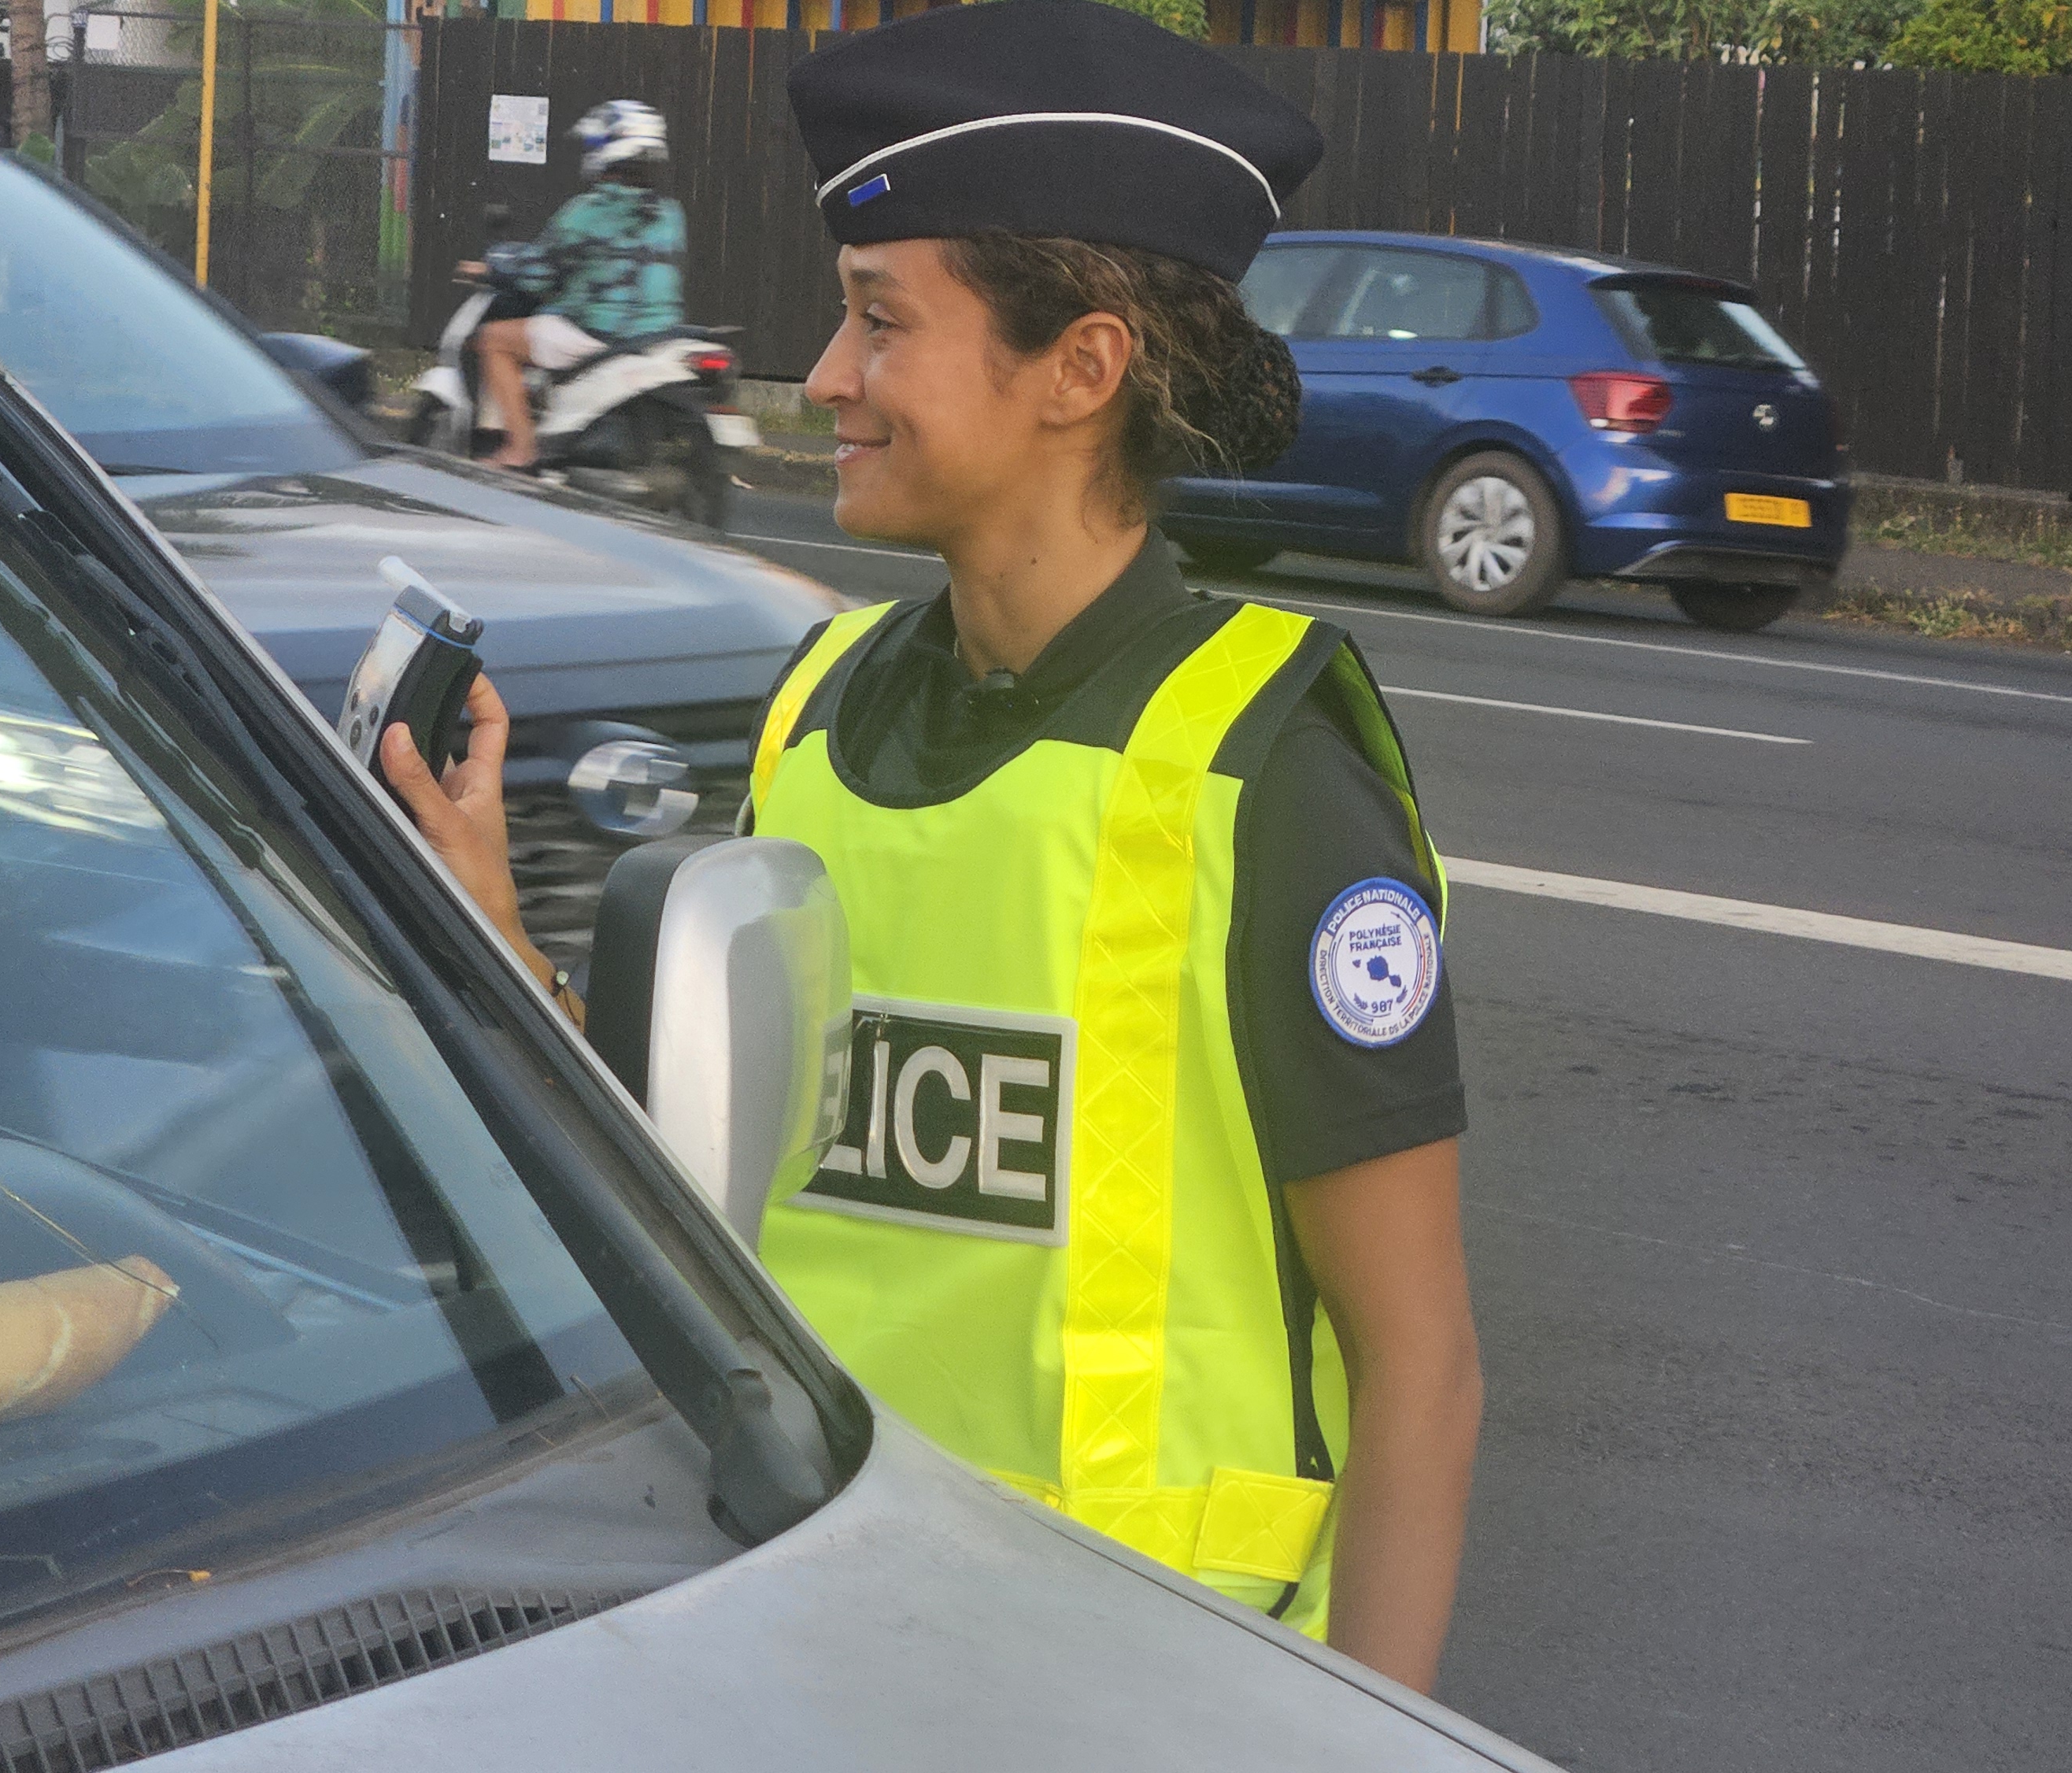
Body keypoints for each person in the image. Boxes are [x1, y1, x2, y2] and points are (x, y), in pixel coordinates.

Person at [383, 0, 1482, 1694]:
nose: (826, 376)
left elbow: (1420, 1365)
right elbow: (710, 1180)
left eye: (880, 322)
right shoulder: (818, 711)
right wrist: (493, 928)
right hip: (819, 1643)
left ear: (1081, 370)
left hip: (1154, 1694)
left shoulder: (1265, 768)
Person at [476, 98, 688, 471]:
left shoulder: (587, 211)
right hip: (660, 335)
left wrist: (492, 265)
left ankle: (520, 449)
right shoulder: (671, 213)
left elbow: (538, 275)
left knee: (494, 340)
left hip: (598, 334)